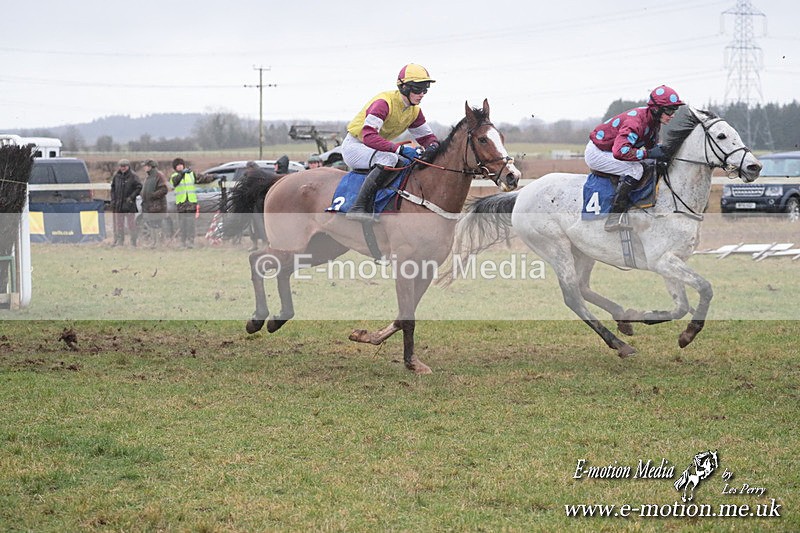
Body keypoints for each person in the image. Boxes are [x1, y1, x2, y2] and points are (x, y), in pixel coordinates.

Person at [342, 63, 440, 222]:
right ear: (404, 88)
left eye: (425, 89)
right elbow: (369, 136)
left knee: (408, 160)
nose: (422, 94)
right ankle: (358, 207)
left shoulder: (414, 111)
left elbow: (427, 138)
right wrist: (399, 149)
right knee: (391, 159)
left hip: (374, 148)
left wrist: (433, 147)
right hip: (355, 146)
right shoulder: (384, 103)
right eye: (417, 89)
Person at [585, 84, 685, 231]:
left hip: (609, 150)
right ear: (656, 109)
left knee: (648, 165)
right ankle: (614, 218)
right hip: (597, 152)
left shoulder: (654, 123)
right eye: (670, 110)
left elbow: (653, 148)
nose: (673, 115)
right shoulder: (636, 122)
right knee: (636, 170)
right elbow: (621, 152)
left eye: (674, 110)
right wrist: (648, 154)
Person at [170, 157, 213, 248]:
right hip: (181, 203)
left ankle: (190, 242)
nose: (180, 167)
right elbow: (175, 182)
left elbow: (202, 179)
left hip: (191, 203)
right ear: (175, 168)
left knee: (191, 223)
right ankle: (183, 242)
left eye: (181, 165)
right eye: (178, 165)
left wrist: (214, 177)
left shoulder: (191, 174)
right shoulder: (174, 176)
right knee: (182, 224)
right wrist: (182, 174)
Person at [242, 161, 281, 251]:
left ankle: (265, 242)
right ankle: (254, 243)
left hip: (260, 203)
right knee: (252, 226)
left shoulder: (262, 176)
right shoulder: (247, 176)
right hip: (251, 203)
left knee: (260, 224)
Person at [110, 159, 142, 246]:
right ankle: (120, 241)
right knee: (119, 224)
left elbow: (139, 187)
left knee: (131, 224)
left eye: (124, 166)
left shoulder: (133, 176)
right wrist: (113, 200)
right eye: (121, 166)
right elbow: (113, 188)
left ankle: (133, 242)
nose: (123, 168)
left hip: (129, 204)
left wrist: (132, 197)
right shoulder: (116, 176)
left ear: (128, 166)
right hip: (119, 204)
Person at [140, 159, 169, 248]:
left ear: (150, 166)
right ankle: (153, 242)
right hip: (149, 206)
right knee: (152, 224)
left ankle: (159, 243)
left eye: (145, 166)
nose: (144, 168)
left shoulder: (158, 175)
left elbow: (164, 189)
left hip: (157, 206)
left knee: (157, 224)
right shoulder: (148, 177)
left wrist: (152, 195)